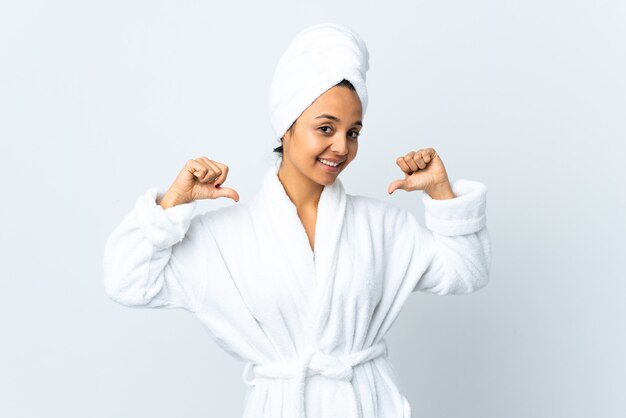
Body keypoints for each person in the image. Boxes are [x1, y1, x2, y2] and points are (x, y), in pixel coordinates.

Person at [103, 22, 491, 418]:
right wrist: (172, 205)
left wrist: (442, 193)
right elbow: (127, 281)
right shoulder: (225, 239)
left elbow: (466, 273)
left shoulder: (380, 226)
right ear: (286, 126)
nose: (341, 147)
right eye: (326, 128)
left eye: (353, 132)